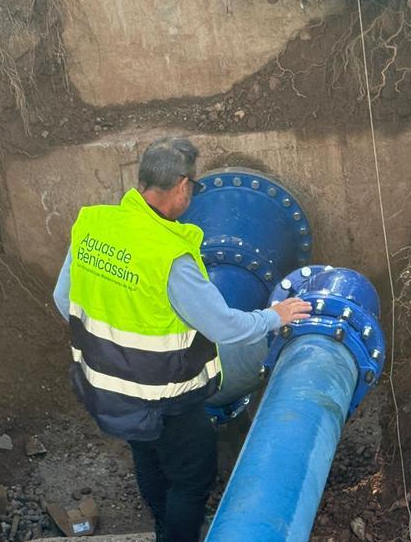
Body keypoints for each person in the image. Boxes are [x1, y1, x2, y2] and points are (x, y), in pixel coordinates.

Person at [52, 136, 311, 542]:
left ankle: (163, 528)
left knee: (148, 458)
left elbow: (63, 298)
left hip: (110, 387)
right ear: (180, 185)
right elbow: (224, 327)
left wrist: (115, 344)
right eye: (192, 187)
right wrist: (273, 316)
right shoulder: (170, 257)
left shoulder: (93, 225)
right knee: (191, 480)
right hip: (169, 397)